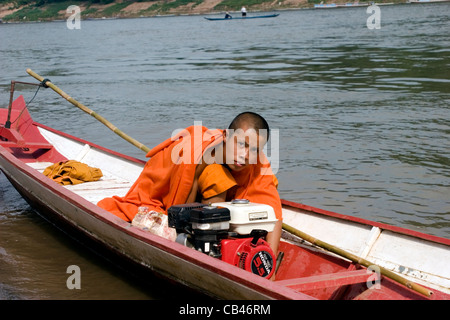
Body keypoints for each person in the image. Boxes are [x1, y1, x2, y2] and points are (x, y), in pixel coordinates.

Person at [97, 112, 282, 254]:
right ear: (226, 136)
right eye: (241, 144)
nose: (245, 155)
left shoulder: (257, 162)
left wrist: (270, 268)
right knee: (218, 176)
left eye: (255, 149)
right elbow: (180, 211)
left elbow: (274, 213)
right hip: (169, 185)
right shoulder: (202, 157)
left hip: (211, 202)